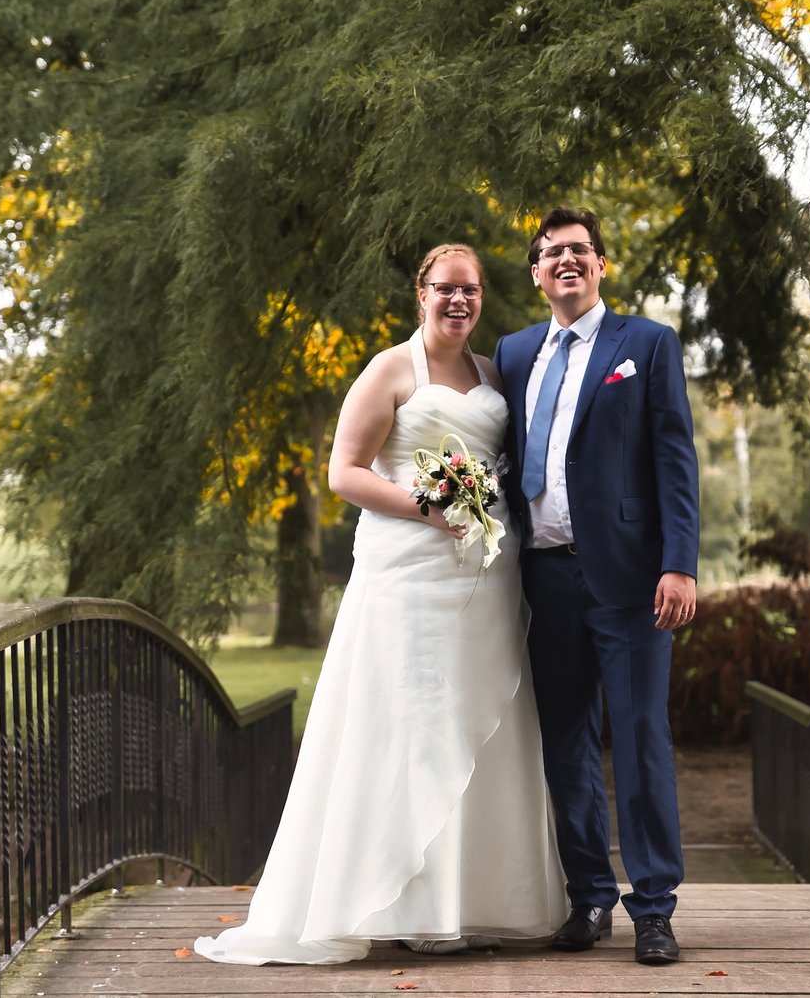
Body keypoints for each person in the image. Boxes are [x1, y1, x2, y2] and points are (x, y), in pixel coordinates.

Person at [194, 243, 567, 965]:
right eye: (445, 290)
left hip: (486, 580)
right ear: (420, 292)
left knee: (482, 723)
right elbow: (343, 472)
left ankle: (482, 900)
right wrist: (428, 507)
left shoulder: (494, 373)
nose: (459, 302)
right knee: (411, 725)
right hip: (410, 578)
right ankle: (399, 900)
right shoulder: (389, 370)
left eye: (471, 291)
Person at [492, 207, 700, 966]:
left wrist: (681, 561)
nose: (566, 261)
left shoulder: (644, 344)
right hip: (544, 579)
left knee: (641, 736)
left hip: (633, 579)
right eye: (552, 254)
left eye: (580, 250)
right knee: (564, 742)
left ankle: (654, 908)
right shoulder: (513, 353)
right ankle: (590, 896)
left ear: (602, 265)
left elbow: (674, 458)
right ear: (537, 272)